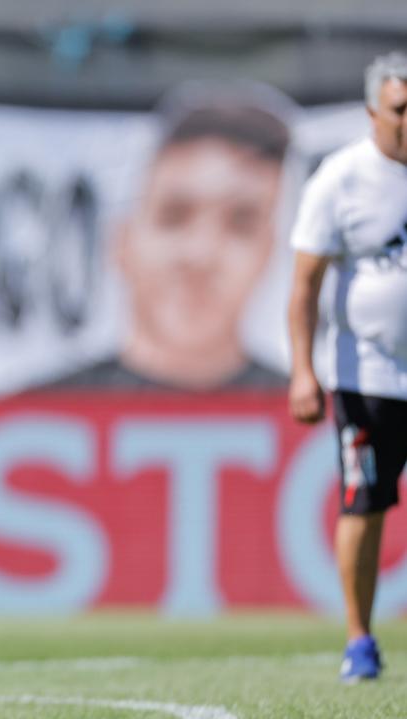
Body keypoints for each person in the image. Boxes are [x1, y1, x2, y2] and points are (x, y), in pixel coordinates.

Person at [288, 51, 407, 684]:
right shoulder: (341, 179)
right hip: (371, 376)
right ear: (372, 112)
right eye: (400, 110)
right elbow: (304, 284)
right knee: (365, 503)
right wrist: (303, 371)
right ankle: (360, 637)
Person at [51, 88, 291, 390]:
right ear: (121, 240)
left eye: (240, 224)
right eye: (174, 216)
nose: (201, 254)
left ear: (268, 252)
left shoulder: (320, 422)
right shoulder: (29, 414)